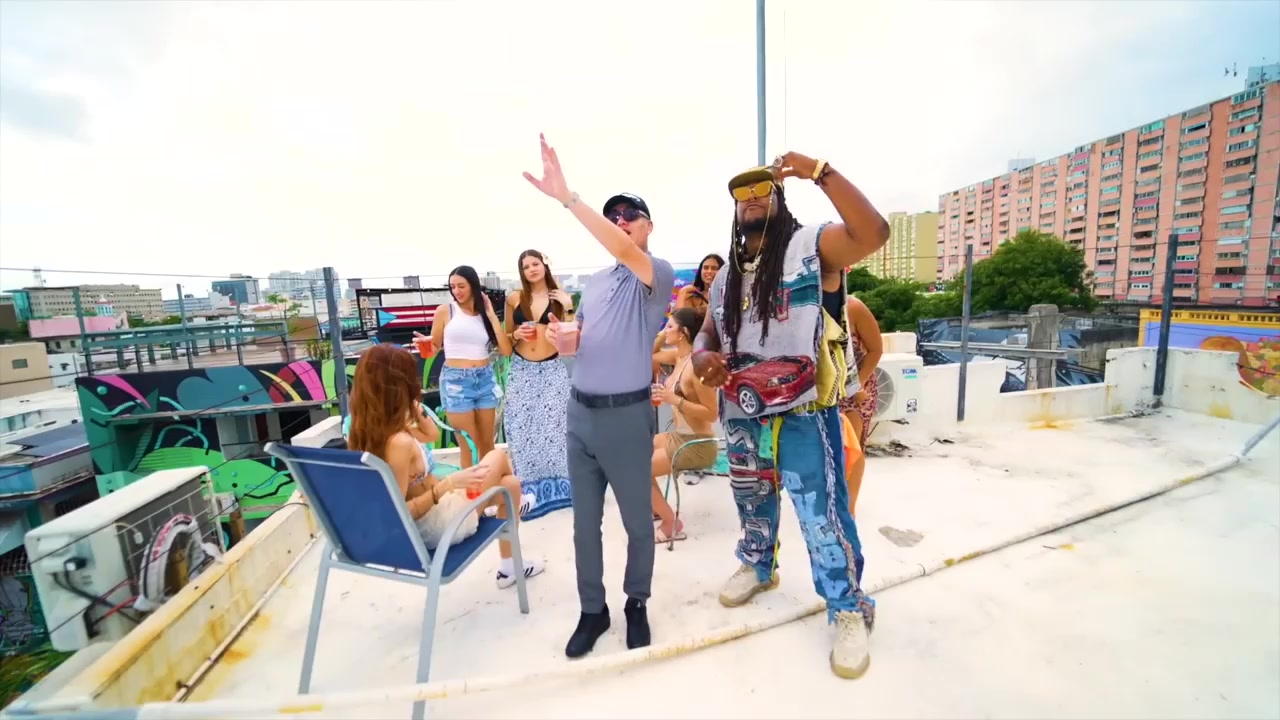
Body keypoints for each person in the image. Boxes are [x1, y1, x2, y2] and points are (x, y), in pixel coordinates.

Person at [690, 152, 889, 679]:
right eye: (742, 194)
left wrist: (819, 171)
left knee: (822, 515)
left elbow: (873, 232)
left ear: (780, 200)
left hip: (803, 408)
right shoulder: (726, 276)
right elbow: (708, 332)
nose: (752, 199)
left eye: (763, 190)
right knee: (751, 499)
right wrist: (702, 354)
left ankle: (848, 607)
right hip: (742, 408)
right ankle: (759, 566)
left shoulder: (811, 247)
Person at [524, 134, 675, 658]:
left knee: (637, 523)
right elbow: (579, 340)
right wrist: (563, 338)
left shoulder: (656, 273)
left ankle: (636, 602)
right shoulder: (594, 282)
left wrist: (568, 198)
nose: (620, 220)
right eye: (614, 215)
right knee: (584, 526)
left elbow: (624, 251)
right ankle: (593, 609)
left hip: (626, 417)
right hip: (580, 415)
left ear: (648, 226)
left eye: (630, 215)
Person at [346, 344, 544, 587]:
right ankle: (517, 506)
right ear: (397, 387)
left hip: (440, 509)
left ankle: (509, 567)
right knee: (498, 458)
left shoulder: (373, 431)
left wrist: (416, 411)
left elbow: (431, 435)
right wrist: (448, 484)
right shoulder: (398, 443)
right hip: (438, 523)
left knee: (510, 485)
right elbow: (397, 513)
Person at [502, 249, 574, 519]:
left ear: (544, 265)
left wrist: (568, 307)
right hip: (522, 368)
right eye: (525, 266)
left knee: (556, 427)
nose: (531, 269)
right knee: (521, 427)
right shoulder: (514, 298)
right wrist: (516, 334)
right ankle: (527, 490)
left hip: (552, 368)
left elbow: (571, 339)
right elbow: (506, 340)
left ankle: (561, 490)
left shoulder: (560, 297)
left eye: (535, 264)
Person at [648, 308, 719, 543]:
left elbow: (712, 413)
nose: (665, 330)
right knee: (634, 451)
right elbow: (649, 355)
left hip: (697, 443)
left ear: (683, 333)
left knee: (637, 472)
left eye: (670, 327)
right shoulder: (678, 357)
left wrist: (674, 399)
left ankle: (671, 523)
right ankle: (657, 507)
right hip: (679, 436)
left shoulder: (697, 367)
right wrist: (663, 333)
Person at [431, 265, 512, 470]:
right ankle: (472, 488)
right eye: (452, 287)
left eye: (461, 286)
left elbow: (506, 350)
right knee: (469, 446)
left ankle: (490, 486)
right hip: (456, 381)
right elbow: (432, 349)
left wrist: (491, 315)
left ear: (473, 286)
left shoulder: (485, 314)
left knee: (487, 445)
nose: (456, 291)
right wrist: (425, 344)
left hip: (485, 379)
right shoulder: (445, 311)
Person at [838, 295, 882, 518]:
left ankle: (849, 509)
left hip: (856, 390)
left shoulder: (853, 308)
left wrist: (857, 385)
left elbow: (876, 349)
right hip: (824, 391)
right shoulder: (807, 305)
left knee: (852, 447)